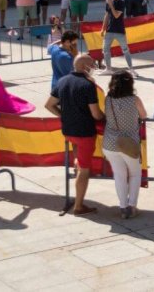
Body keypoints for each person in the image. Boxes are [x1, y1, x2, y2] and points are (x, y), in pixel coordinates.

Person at [45, 54, 104, 215]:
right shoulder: (87, 85)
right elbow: (96, 114)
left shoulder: (62, 81)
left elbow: (49, 105)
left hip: (68, 131)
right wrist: (104, 117)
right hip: (84, 132)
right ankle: (79, 206)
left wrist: (63, 116)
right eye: (91, 64)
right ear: (85, 67)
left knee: (79, 164)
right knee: (84, 171)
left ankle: (77, 196)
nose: (93, 67)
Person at [102, 70, 147, 220]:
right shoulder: (135, 100)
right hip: (129, 143)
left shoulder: (108, 99)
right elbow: (143, 115)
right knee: (134, 174)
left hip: (110, 143)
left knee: (119, 176)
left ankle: (122, 207)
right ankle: (131, 206)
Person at [100, 0, 135, 75]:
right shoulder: (108, 2)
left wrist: (111, 5)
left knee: (125, 49)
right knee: (105, 49)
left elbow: (116, 15)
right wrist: (103, 28)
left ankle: (131, 69)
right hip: (109, 30)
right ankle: (108, 68)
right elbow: (107, 15)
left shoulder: (121, 2)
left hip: (119, 30)